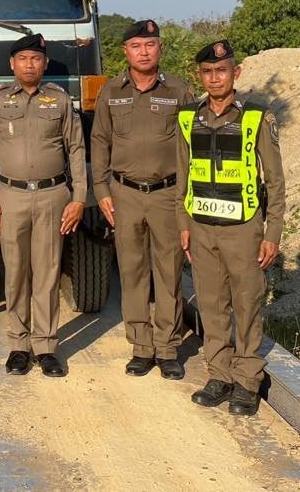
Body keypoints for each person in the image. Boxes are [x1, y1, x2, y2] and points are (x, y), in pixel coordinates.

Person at [177, 40, 287, 416]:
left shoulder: (257, 116)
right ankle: (219, 374)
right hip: (202, 226)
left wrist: (272, 234)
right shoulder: (188, 117)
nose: (214, 78)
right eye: (207, 72)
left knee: (247, 303)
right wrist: (184, 224)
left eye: (221, 71)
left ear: (235, 74)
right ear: (200, 76)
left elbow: (275, 181)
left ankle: (247, 380)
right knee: (211, 304)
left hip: (243, 228)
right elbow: (183, 175)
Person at [0, 33, 87, 377]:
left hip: (54, 196)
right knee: (17, 273)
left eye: (35, 59)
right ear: (12, 64)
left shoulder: (60, 100)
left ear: (44, 63)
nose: (29, 65)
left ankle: (47, 346)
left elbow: (77, 150)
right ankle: (19, 346)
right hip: (11, 196)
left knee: (48, 272)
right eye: (22, 59)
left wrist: (79, 197)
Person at [91, 19, 195, 379]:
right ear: (126, 52)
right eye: (137, 46)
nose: (144, 52)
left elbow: (192, 148)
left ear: (160, 49)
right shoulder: (110, 92)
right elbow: (100, 142)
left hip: (168, 195)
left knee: (168, 272)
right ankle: (141, 347)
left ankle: (167, 348)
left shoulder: (180, 91)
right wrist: (102, 191)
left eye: (150, 45)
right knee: (133, 272)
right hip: (124, 195)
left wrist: (187, 202)